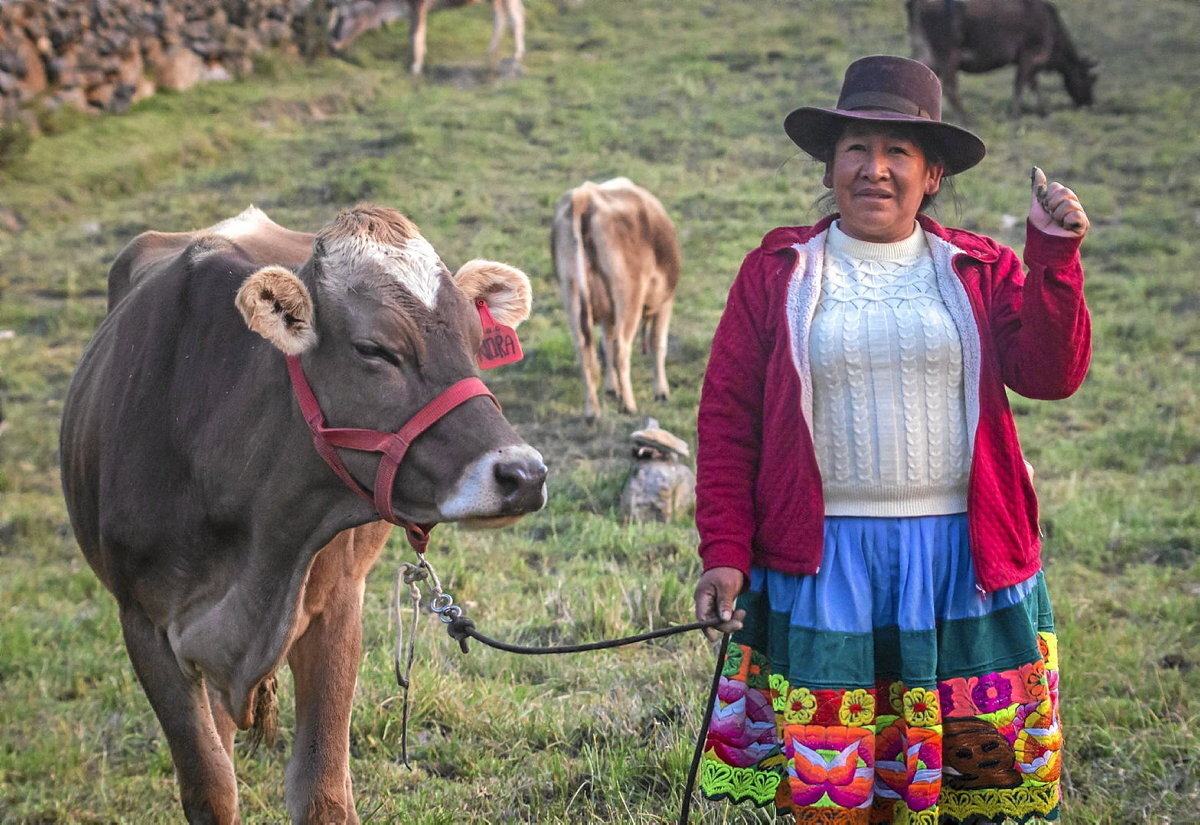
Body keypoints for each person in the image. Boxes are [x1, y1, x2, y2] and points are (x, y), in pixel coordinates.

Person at [692, 55, 1090, 825]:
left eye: (897, 151)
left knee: (973, 784)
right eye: (856, 149)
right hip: (826, 565)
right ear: (830, 166)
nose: (874, 169)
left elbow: (1052, 373)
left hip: (959, 562)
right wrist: (724, 549)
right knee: (840, 790)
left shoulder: (977, 268)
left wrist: (1053, 258)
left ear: (932, 174)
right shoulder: (778, 271)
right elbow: (729, 418)